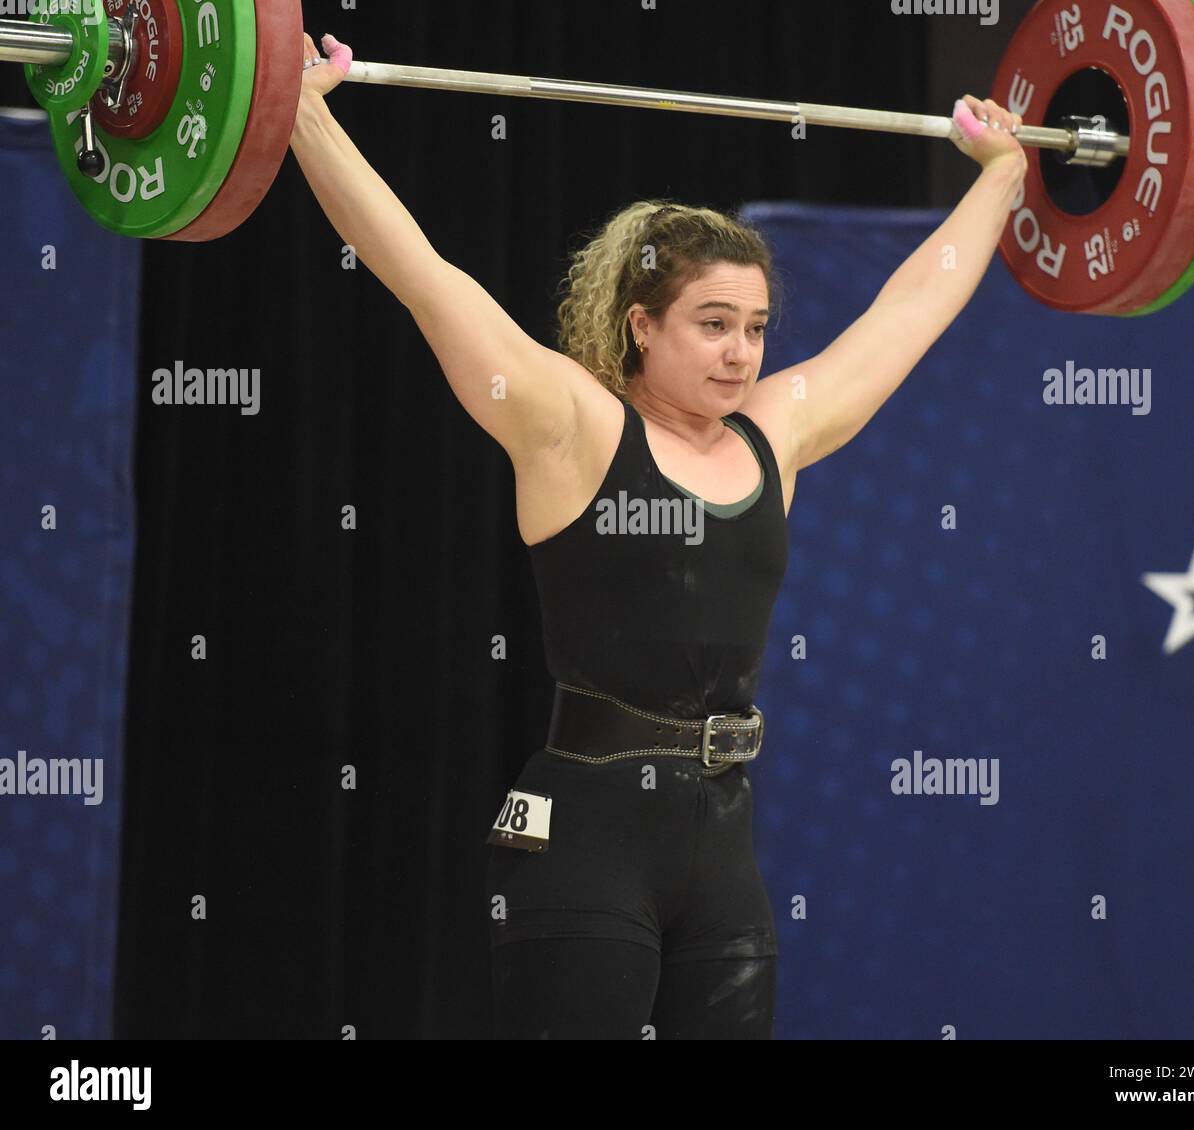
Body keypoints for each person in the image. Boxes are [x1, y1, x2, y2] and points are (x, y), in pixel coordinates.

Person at [293, 33, 1027, 1040]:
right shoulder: (570, 424)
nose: (741, 353)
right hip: (583, 834)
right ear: (643, 325)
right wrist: (300, 112)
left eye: (757, 327)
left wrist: (1004, 173)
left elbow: (911, 308)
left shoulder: (778, 433)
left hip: (720, 842)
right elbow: (423, 274)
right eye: (712, 324)